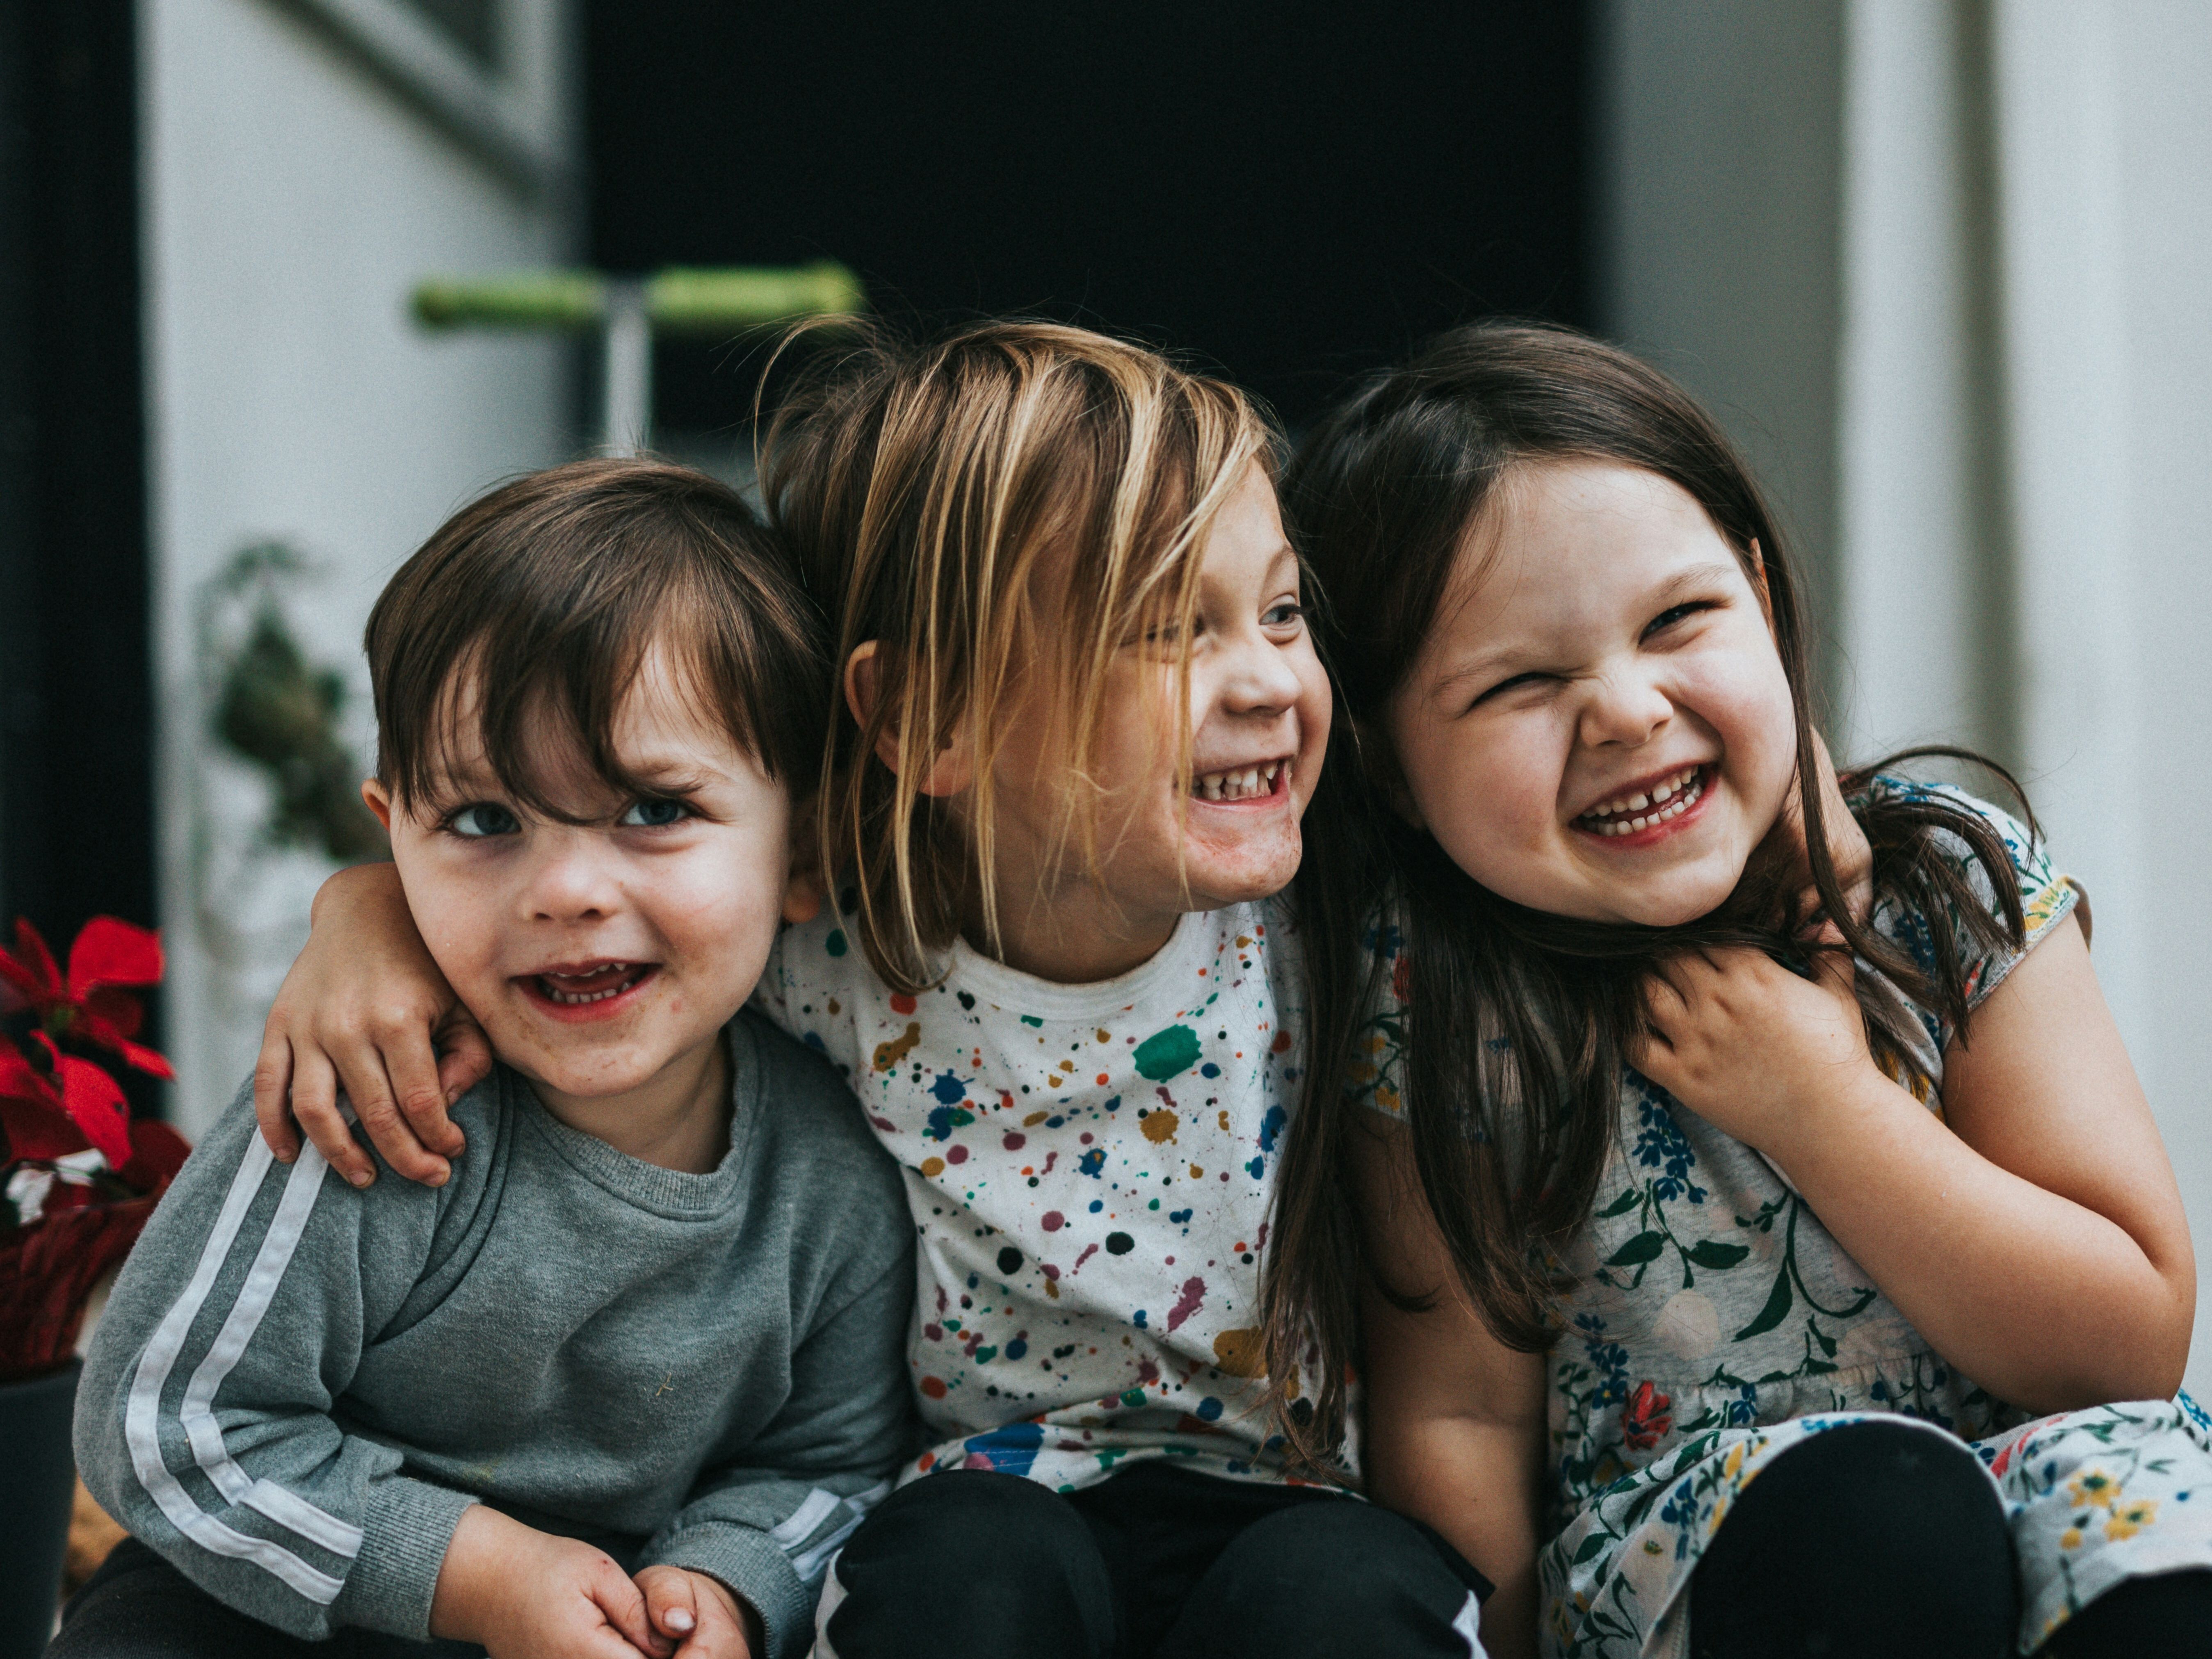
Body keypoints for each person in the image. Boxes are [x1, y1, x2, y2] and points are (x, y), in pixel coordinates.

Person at [242, 322, 1493, 1659]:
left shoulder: (1348, 932)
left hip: (1295, 1506)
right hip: (979, 1508)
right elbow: (604, 903)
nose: (1264, 678)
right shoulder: (837, 951)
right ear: (928, 719)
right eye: (1160, 628)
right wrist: (371, 911)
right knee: (962, 1577)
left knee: (1348, 1600)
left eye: (1281, 610)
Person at [1272, 320, 2212, 1659]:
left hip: (2043, 1488)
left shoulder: (1946, 889)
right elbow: (1460, 1420)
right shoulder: (1437, 1010)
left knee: (2164, 1538)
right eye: (1521, 684)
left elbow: (2125, 1346)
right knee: (1875, 1518)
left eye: (1678, 621)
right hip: (1712, 1554)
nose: (1624, 710)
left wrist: (1824, 1106)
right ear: (1387, 769)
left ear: (1762, 605)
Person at [62, 460, 916, 1659]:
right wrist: (478, 1575)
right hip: (287, 1598)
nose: (566, 891)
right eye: (482, 821)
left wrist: (721, 1583)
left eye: (654, 809)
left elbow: (828, 1464)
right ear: (392, 835)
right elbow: (169, 1422)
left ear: (804, 850)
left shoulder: (831, 1183)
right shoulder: (371, 1106)